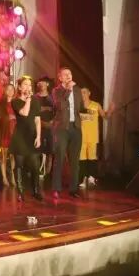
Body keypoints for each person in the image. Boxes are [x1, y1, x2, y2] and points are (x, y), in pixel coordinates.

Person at [52, 66, 85, 199]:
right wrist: (68, 90)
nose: (68, 76)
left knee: (75, 160)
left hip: (75, 127)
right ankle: (56, 188)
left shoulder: (77, 90)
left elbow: (80, 107)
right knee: (59, 157)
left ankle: (73, 189)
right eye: (65, 74)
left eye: (70, 74)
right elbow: (59, 105)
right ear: (60, 78)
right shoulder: (56, 91)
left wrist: (86, 113)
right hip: (61, 128)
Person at [10, 76, 42, 201]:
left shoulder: (36, 101)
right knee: (19, 164)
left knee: (35, 164)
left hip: (32, 135)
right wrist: (28, 99)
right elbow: (24, 113)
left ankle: (36, 190)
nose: (28, 87)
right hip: (20, 136)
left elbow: (37, 119)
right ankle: (20, 192)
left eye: (29, 85)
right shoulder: (15, 101)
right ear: (19, 87)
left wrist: (38, 136)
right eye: (25, 84)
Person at [78, 87, 113, 188]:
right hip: (81, 137)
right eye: (81, 93)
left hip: (92, 137)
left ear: (89, 93)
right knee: (82, 159)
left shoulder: (96, 105)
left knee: (92, 158)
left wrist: (110, 110)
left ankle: (92, 177)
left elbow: (105, 116)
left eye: (84, 92)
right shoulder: (78, 106)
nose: (83, 94)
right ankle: (82, 179)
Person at [0, 83, 17, 187]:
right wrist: (7, 118)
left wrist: (14, 117)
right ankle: (4, 177)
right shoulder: (1, 103)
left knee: (13, 156)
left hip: (15, 131)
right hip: (5, 131)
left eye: (12, 89)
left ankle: (13, 177)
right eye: (8, 89)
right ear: (5, 91)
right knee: (4, 156)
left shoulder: (16, 102)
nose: (10, 91)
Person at [36, 77, 54, 177]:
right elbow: (33, 112)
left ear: (47, 84)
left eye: (44, 83)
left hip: (51, 127)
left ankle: (48, 170)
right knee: (38, 149)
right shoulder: (35, 98)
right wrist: (41, 123)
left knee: (50, 149)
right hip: (39, 127)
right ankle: (39, 169)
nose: (42, 84)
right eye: (40, 83)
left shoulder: (52, 98)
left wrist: (52, 122)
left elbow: (57, 112)